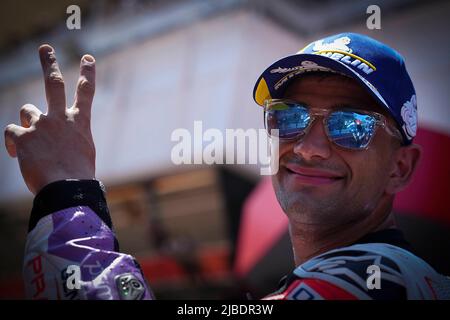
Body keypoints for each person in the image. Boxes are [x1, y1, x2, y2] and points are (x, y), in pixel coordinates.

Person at [3, 33, 449, 300]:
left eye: (351, 125)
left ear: (401, 167)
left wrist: (66, 192)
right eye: (289, 117)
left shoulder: (373, 280)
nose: (310, 148)